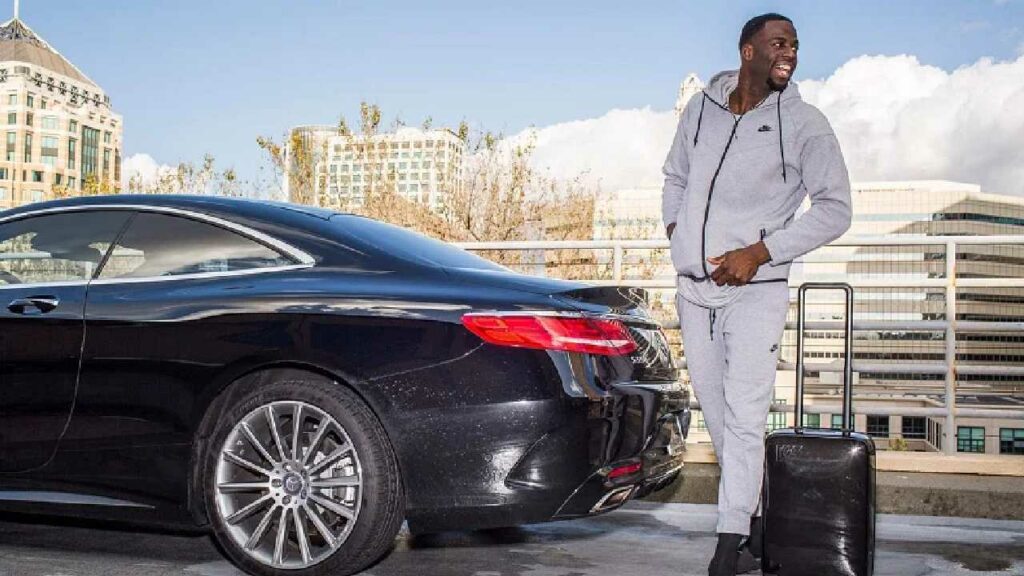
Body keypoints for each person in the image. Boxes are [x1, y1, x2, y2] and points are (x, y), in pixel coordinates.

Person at [661, 13, 852, 576]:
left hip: (757, 290)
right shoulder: (701, 108)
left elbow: (836, 209)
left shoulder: (804, 123)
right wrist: (677, 233)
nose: (789, 52)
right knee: (718, 417)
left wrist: (761, 252)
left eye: (794, 44)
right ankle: (760, 521)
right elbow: (675, 176)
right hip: (693, 290)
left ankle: (728, 544)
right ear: (748, 51)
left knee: (746, 416)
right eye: (777, 42)